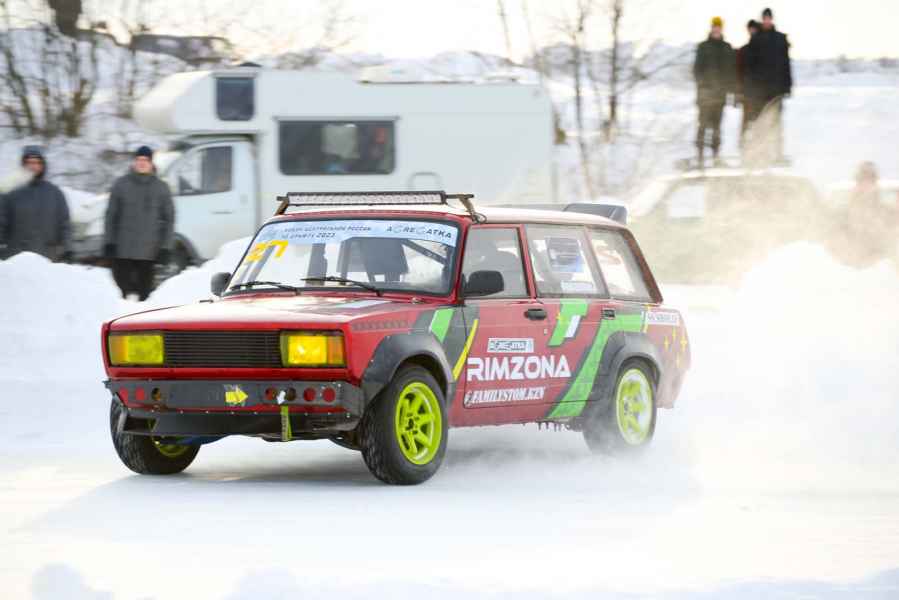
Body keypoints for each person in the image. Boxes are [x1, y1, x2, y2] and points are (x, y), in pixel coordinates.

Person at [104, 146, 175, 301]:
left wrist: (166, 247)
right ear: (134, 162)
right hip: (123, 252)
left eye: (146, 160)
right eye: (139, 159)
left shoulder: (161, 188)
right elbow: (111, 216)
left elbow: (169, 219)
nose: (142, 163)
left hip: (148, 254)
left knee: (145, 300)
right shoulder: (121, 185)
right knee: (121, 298)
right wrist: (109, 242)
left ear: (151, 163)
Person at [0, 145, 72, 261]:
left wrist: (67, 248)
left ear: (43, 165)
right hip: (16, 257)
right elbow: (2, 221)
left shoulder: (55, 193)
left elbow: (65, 224)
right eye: (29, 162)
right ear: (23, 164)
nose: (33, 166)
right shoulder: (10, 191)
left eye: (37, 162)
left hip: (47, 258)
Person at [745, 7, 792, 161]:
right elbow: (750, 67)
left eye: (769, 18)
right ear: (762, 19)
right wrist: (751, 89)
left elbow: (786, 64)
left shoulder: (780, 39)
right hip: (760, 92)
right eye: (764, 18)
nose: (767, 20)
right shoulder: (756, 39)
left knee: (776, 123)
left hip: (776, 89)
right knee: (761, 122)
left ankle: (777, 155)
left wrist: (787, 86)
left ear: (772, 19)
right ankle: (761, 155)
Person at [693, 16, 735, 167]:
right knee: (703, 126)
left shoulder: (727, 48)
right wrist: (703, 86)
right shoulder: (703, 47)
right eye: (714, 26)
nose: (716, 28)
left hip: (720, 96)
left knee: (717, 127)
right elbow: (697, 70)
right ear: (711, 28)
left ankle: (716, 156)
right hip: (705, 95)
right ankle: (699, 157)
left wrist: (729, 91)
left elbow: (730, 72)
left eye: (719, 26)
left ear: (721, 28)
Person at [736, 20, 761, 144]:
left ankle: (758, 147)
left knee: (759, 122)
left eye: (754, 29)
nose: (752, 31)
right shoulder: (743, 50)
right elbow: (738, 73)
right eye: (750, 29)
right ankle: (743, 146)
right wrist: (738, 93)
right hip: (747, 94)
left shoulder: (764, 52)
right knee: (746, 122)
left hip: (761, 94)